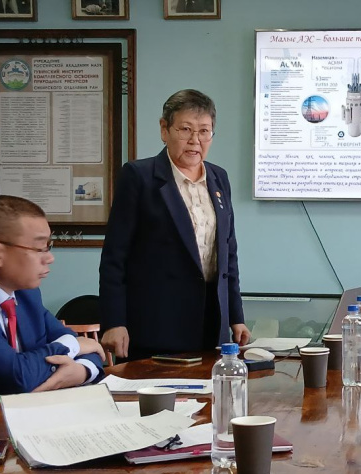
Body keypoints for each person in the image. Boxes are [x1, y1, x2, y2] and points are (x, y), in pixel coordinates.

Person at [100, 89, 250, 361]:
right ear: (164, 129)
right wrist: (114, 321)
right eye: (185, 129)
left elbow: (229, 255)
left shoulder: (219, 178)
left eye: (204, 131)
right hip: (156, 325)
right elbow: (114, 257)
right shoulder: (139, 177)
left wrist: (235, 317)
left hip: (211, 324)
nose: (195, 140)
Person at [0, 196, 105, 408]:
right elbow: (16, 375)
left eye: (49, 246)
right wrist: (74, 345)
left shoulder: (27, 295)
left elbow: (92, 352)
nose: (50, 258)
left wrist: (80, 371)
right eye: (40, 248)